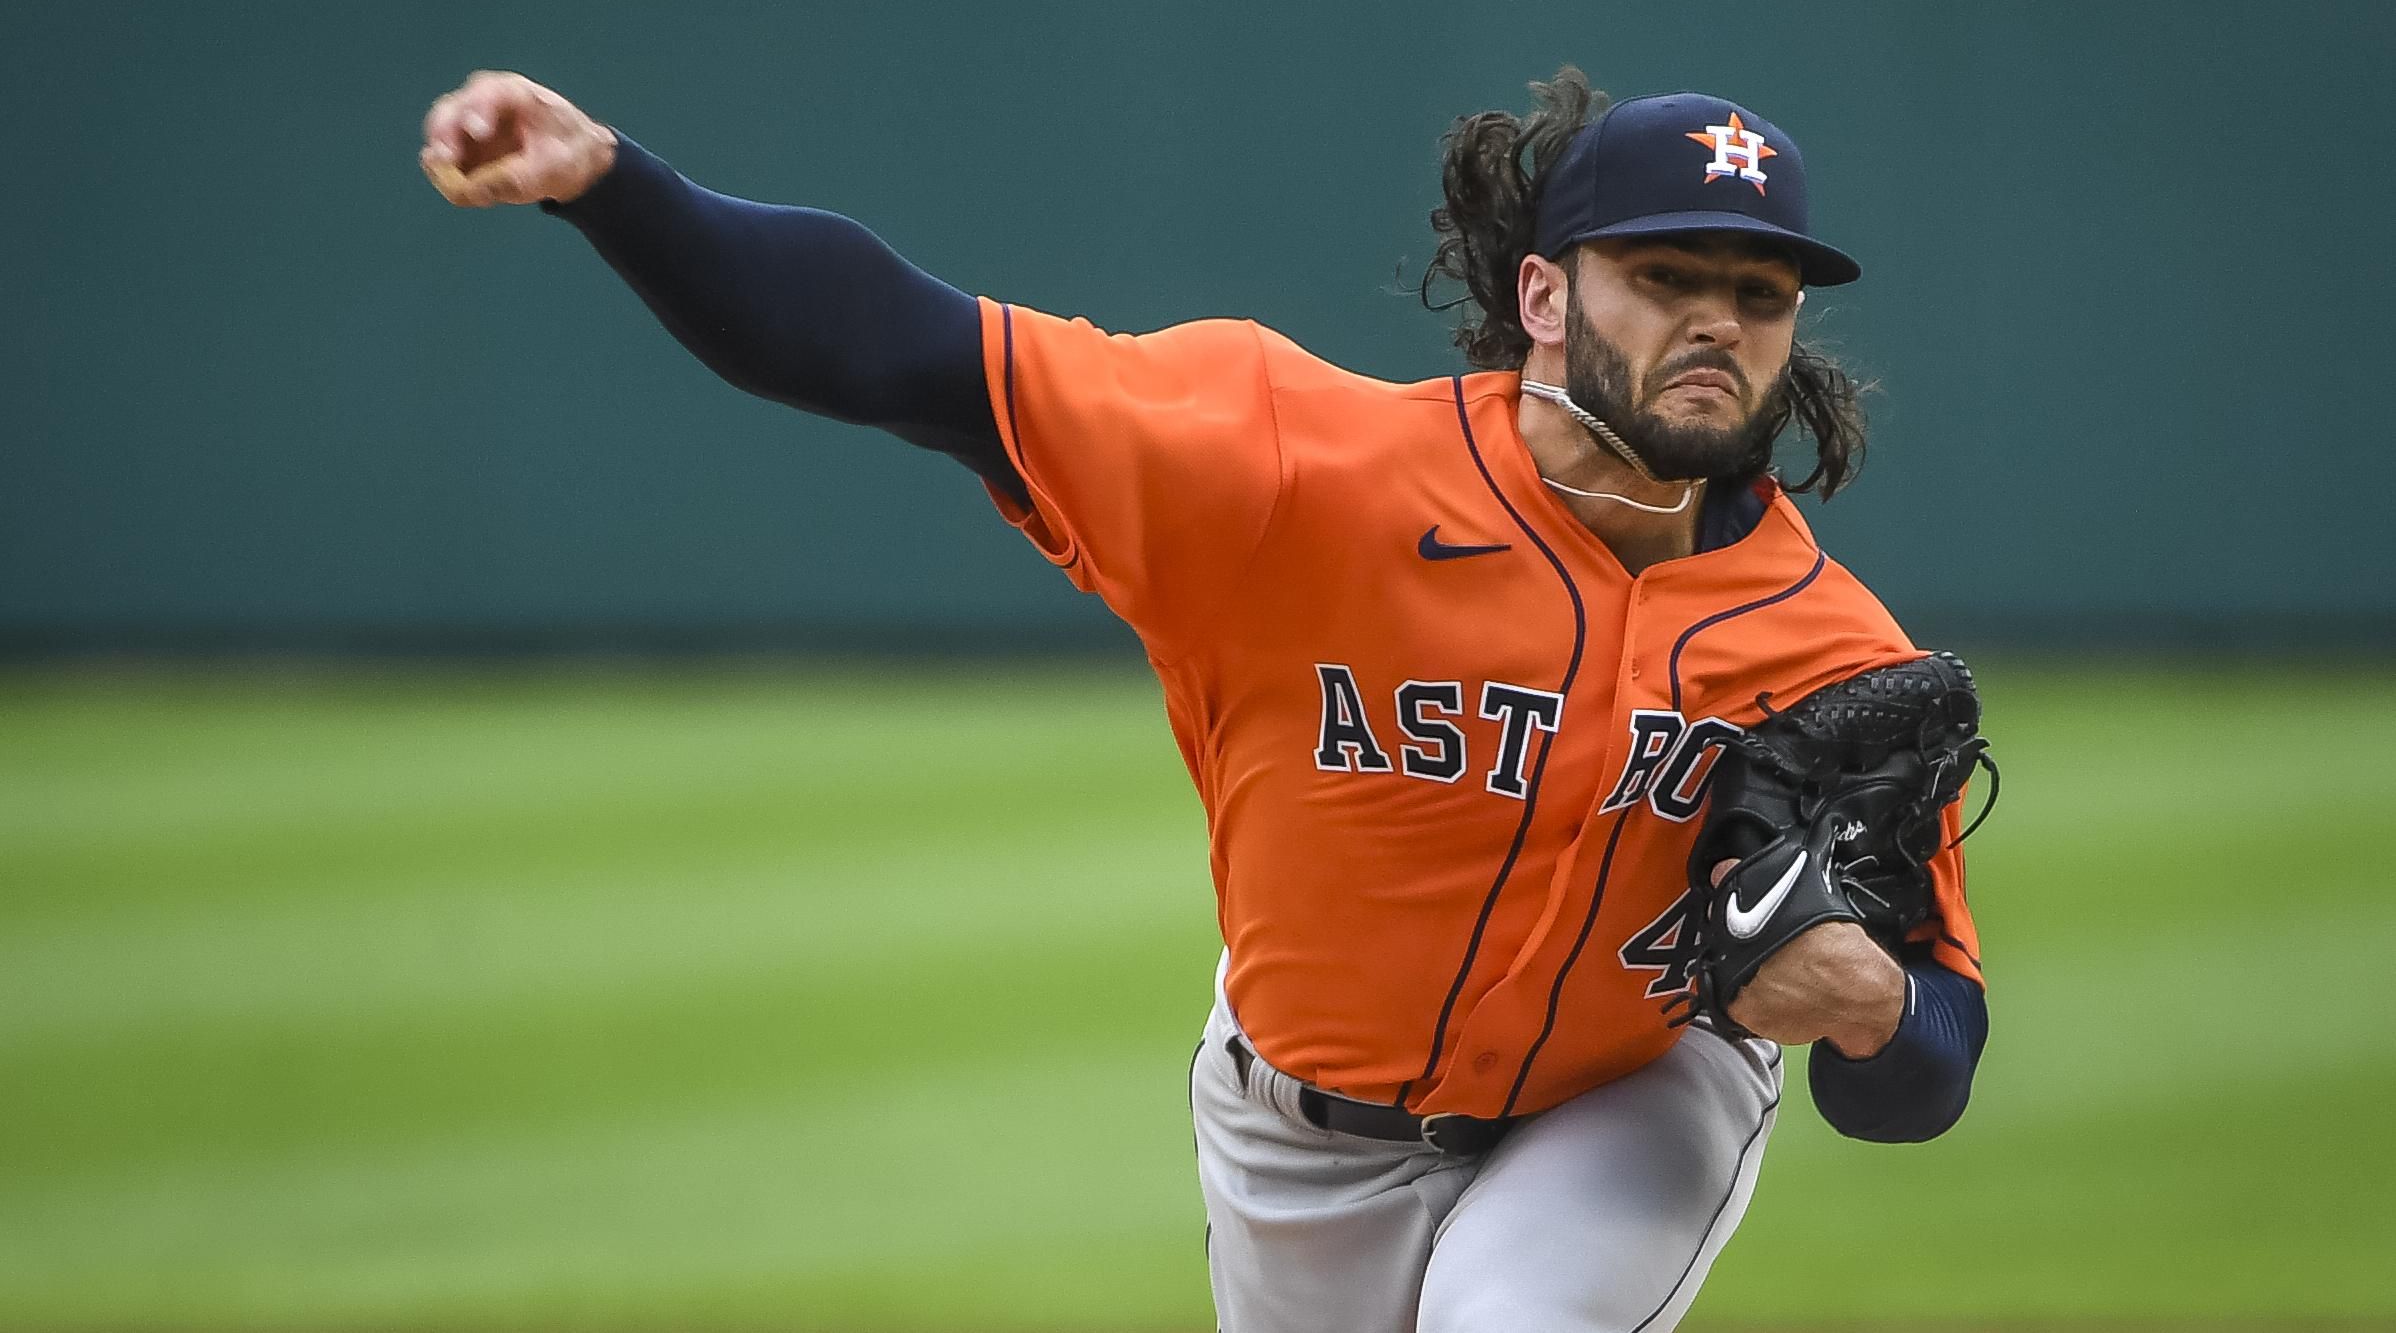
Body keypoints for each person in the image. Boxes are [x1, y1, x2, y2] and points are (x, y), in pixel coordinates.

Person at [420, 66, 1988, 1333]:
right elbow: (900, 347)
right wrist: (612, 186)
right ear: (1547, 296)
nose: (1720, 319)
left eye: (1759, 290)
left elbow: (1926, 1068)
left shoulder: (1834, 650)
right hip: (1295, 1133)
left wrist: (1867, 1011)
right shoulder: (1298, 469)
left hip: (1630, 1101)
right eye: (1667, 274)